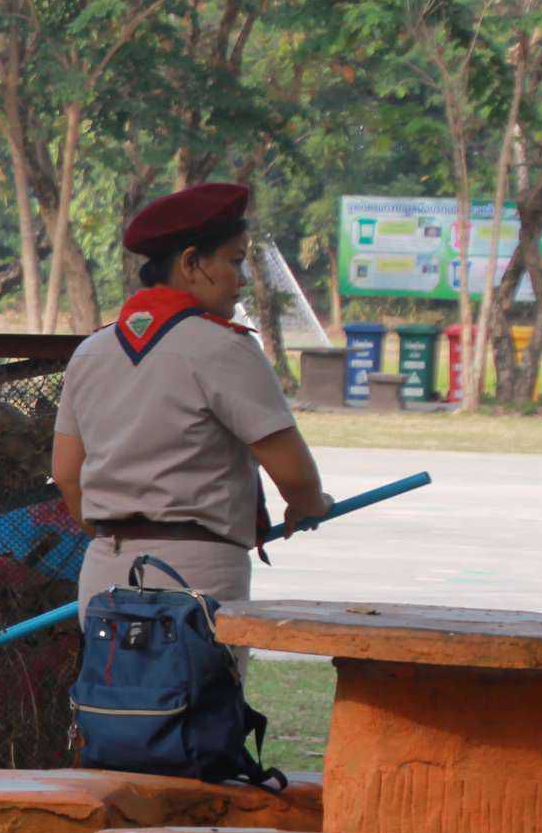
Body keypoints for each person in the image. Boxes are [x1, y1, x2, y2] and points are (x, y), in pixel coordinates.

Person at [53, 182, 333, 643]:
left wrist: (124, 535)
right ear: (190, 263)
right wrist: (310, 506)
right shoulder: (224, 348)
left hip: (104, 574)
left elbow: (67, 475)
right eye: (234, 261)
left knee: (116, 689)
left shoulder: (91, 352)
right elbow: (294, 474)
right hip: (197, 576)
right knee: (197, 692)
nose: (242, 279)